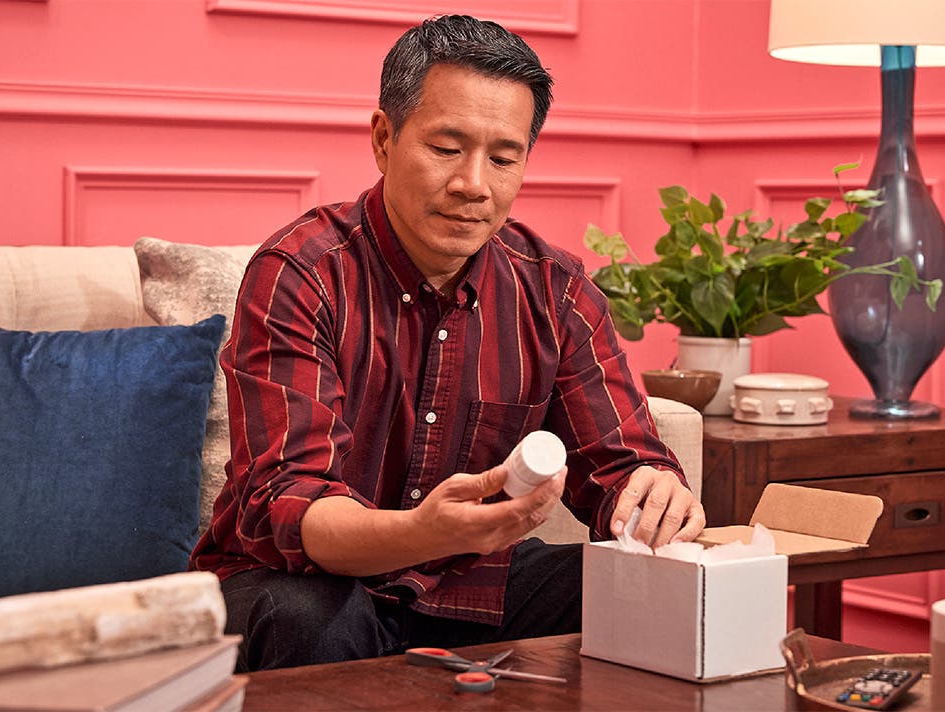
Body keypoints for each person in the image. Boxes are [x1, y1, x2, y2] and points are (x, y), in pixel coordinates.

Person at [190, 14, 704, 672]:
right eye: (446, 147)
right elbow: (285, 501)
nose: (474, 184)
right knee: (305, 617)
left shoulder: (557, 292)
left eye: (503, 157)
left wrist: (653, 491)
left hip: (467, 587)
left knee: (638, 597)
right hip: (306, 579)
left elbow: (619, 465)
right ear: (384, 139)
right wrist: (416, 533)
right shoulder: (301, 271)